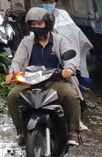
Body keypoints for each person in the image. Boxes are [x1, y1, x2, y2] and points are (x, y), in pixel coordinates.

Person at [5, 8, 82, 147]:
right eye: (33, 24)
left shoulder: (60, 41)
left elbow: (70, 60)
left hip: (54, 80)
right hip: (30, 80)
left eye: (39, 24)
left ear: (47, 24)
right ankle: (22, 132)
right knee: (12, 96)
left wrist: (68, 69)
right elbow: (17, 61)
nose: (36, 27)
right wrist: (12, 73)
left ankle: (72, 132)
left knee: (71, 96)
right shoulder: (26, 42)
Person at [43, 0, 93, 131]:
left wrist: (70, 65)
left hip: (62, 56)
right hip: (43, 58)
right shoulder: (38, 15)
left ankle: (75, 122)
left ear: (55, 2)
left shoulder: (63, 15)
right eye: (46, 2)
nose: (48, 5)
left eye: (51, 2)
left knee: (73, 90)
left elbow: (74, 34)